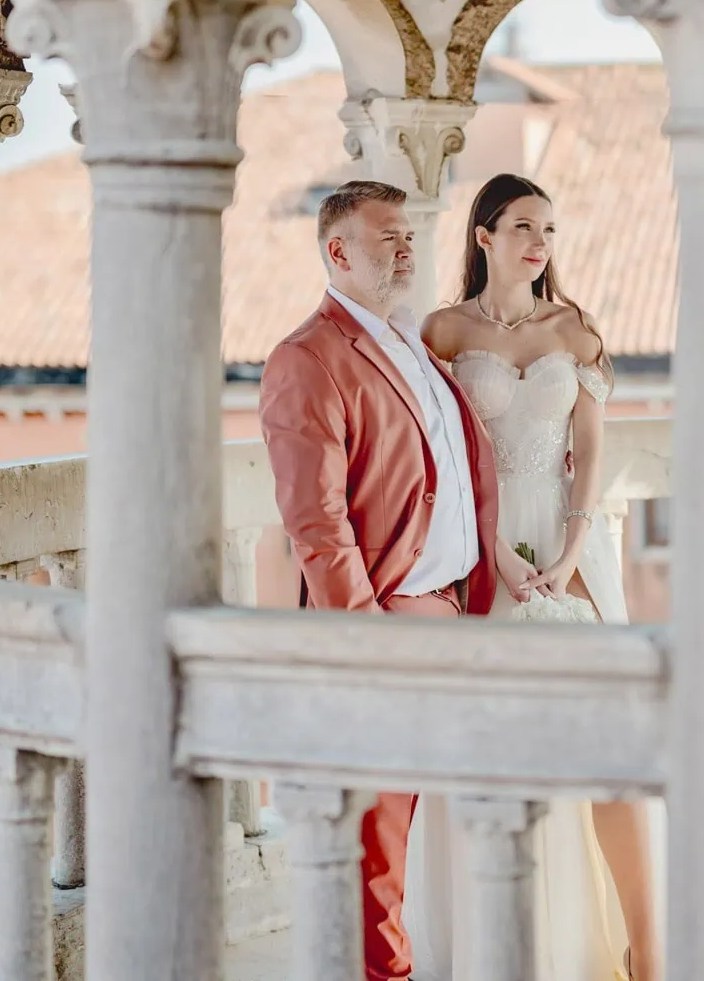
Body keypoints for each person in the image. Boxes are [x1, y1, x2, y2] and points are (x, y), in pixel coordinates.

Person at [258, 180, 536, 981]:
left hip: (453, 607)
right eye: (387, 237)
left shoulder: (410, 340)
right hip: (390, 618)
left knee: (435, 831)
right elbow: (317, 524)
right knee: (376, 839)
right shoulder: (307, 357)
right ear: (338, 251)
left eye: (409, 234)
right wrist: (368, 638)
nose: (406, 247)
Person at [405, 173, 660, 981]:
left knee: (607, 748)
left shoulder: (575, 330)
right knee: (483, 746)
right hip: (479, 554)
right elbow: (434, 455)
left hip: (563, 545)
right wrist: (484, 546)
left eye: (547, 228)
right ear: (483, 236)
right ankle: (490, 942)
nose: (538, 241)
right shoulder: (442, 331)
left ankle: (642, 944)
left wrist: (570, 556)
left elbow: (590, 454)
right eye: (521, 226)